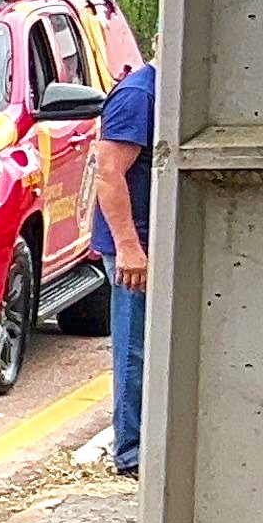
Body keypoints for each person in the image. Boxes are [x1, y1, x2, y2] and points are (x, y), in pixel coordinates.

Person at [95, 59, 157, 477]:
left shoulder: (165, 90)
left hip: (155, 242)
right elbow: (109, 173)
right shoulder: (139, 95)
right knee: (134, 349)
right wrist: (129, 248)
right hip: (134, 247)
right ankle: (131, 453)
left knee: (153, 348)